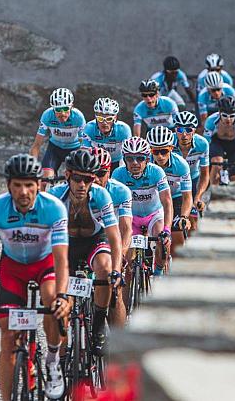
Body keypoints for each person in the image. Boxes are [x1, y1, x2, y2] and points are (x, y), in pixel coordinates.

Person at [0, 154, 72, 400]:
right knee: (8, 338)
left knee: (53, 302)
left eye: (29, 185)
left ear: (39, 184)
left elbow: (61, 259)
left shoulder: (54, 208)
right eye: (17, 185)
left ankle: (52, 359)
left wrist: (62, 296)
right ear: (8, 185)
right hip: (13, 270)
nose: (23, 191)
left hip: (44, 265)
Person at [48, 149, 122, 355]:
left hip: (94, 241)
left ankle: (98, 326)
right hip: (66, 244)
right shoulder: (54, 196)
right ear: (68, 176)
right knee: (62, 303)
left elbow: (114, 236)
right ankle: (62, 357)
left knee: (105, 268)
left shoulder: (101, 195)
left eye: (88, 179)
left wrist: (116, 271)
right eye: (78, 179)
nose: (82, 185)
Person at [112, 137, 173, 276]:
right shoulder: (118, 174)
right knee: (128, 263)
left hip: (153, 215)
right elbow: (112, 204)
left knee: (162, 241)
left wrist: (167, 229)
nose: (135, 163)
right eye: (130, 159)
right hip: (131, 218)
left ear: (147, 159)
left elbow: (167, 202)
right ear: (124, 159)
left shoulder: (156, 172)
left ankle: (158, 273)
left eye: (140, 158)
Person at [90, 146, 132, 328]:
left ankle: (119, 339)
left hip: (108, 240)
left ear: (109, 172)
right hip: (85, 241)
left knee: (116, 290)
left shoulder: (121, 191)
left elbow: (126, 228)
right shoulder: (79, 188)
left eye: (101, 173)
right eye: (92, 173)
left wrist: (120, 256)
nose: (96, 179)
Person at [146, 126, 192, 259]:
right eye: (155, 151)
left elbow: (187, 197)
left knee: (177, 241)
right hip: (153, 200)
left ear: (171, 148)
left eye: (164, 151)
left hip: (175, 198)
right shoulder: (144, 163)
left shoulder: (181, 165)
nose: (160, 156)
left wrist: (184, 217)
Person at [29, 88, 86, 189]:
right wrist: (32, 168)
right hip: (55, 149)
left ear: (71, 106)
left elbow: (84, 145)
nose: (62, 113)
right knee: (45, 182)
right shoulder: (47, 115)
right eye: (58, 110)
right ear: (53, 109)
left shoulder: (78, 117)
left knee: (75, 181)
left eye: (65, 109)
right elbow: (36, 145)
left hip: (74, 149)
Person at [204, 96, 235, 185]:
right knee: (217, 163)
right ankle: (214, 189)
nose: (228, 119)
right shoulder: (211, 121)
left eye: (232, 116)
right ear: (219, 113)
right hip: (217, 143)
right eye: (225, 116)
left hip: (234, 145)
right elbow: (205, 145)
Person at [173, 111, 210, 229]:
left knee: (192, 222)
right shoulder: (168, 143)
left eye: (188, 130)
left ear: (194, 130)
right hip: (172, 181)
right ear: (175, 130)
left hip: (192, 180)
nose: (184, 135)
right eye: (180, 130)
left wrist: (198, 196)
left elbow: (205, 174)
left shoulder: (202, 144)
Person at [82, 97, 132, 172]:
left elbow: (128, 153)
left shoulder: (124, 130)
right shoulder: (89, 128)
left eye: (109, 119)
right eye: (100, 119)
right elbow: (85, 152)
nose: (104, 123)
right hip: (97, 162)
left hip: (117, 161)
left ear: (115, 118)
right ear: (96, 118)